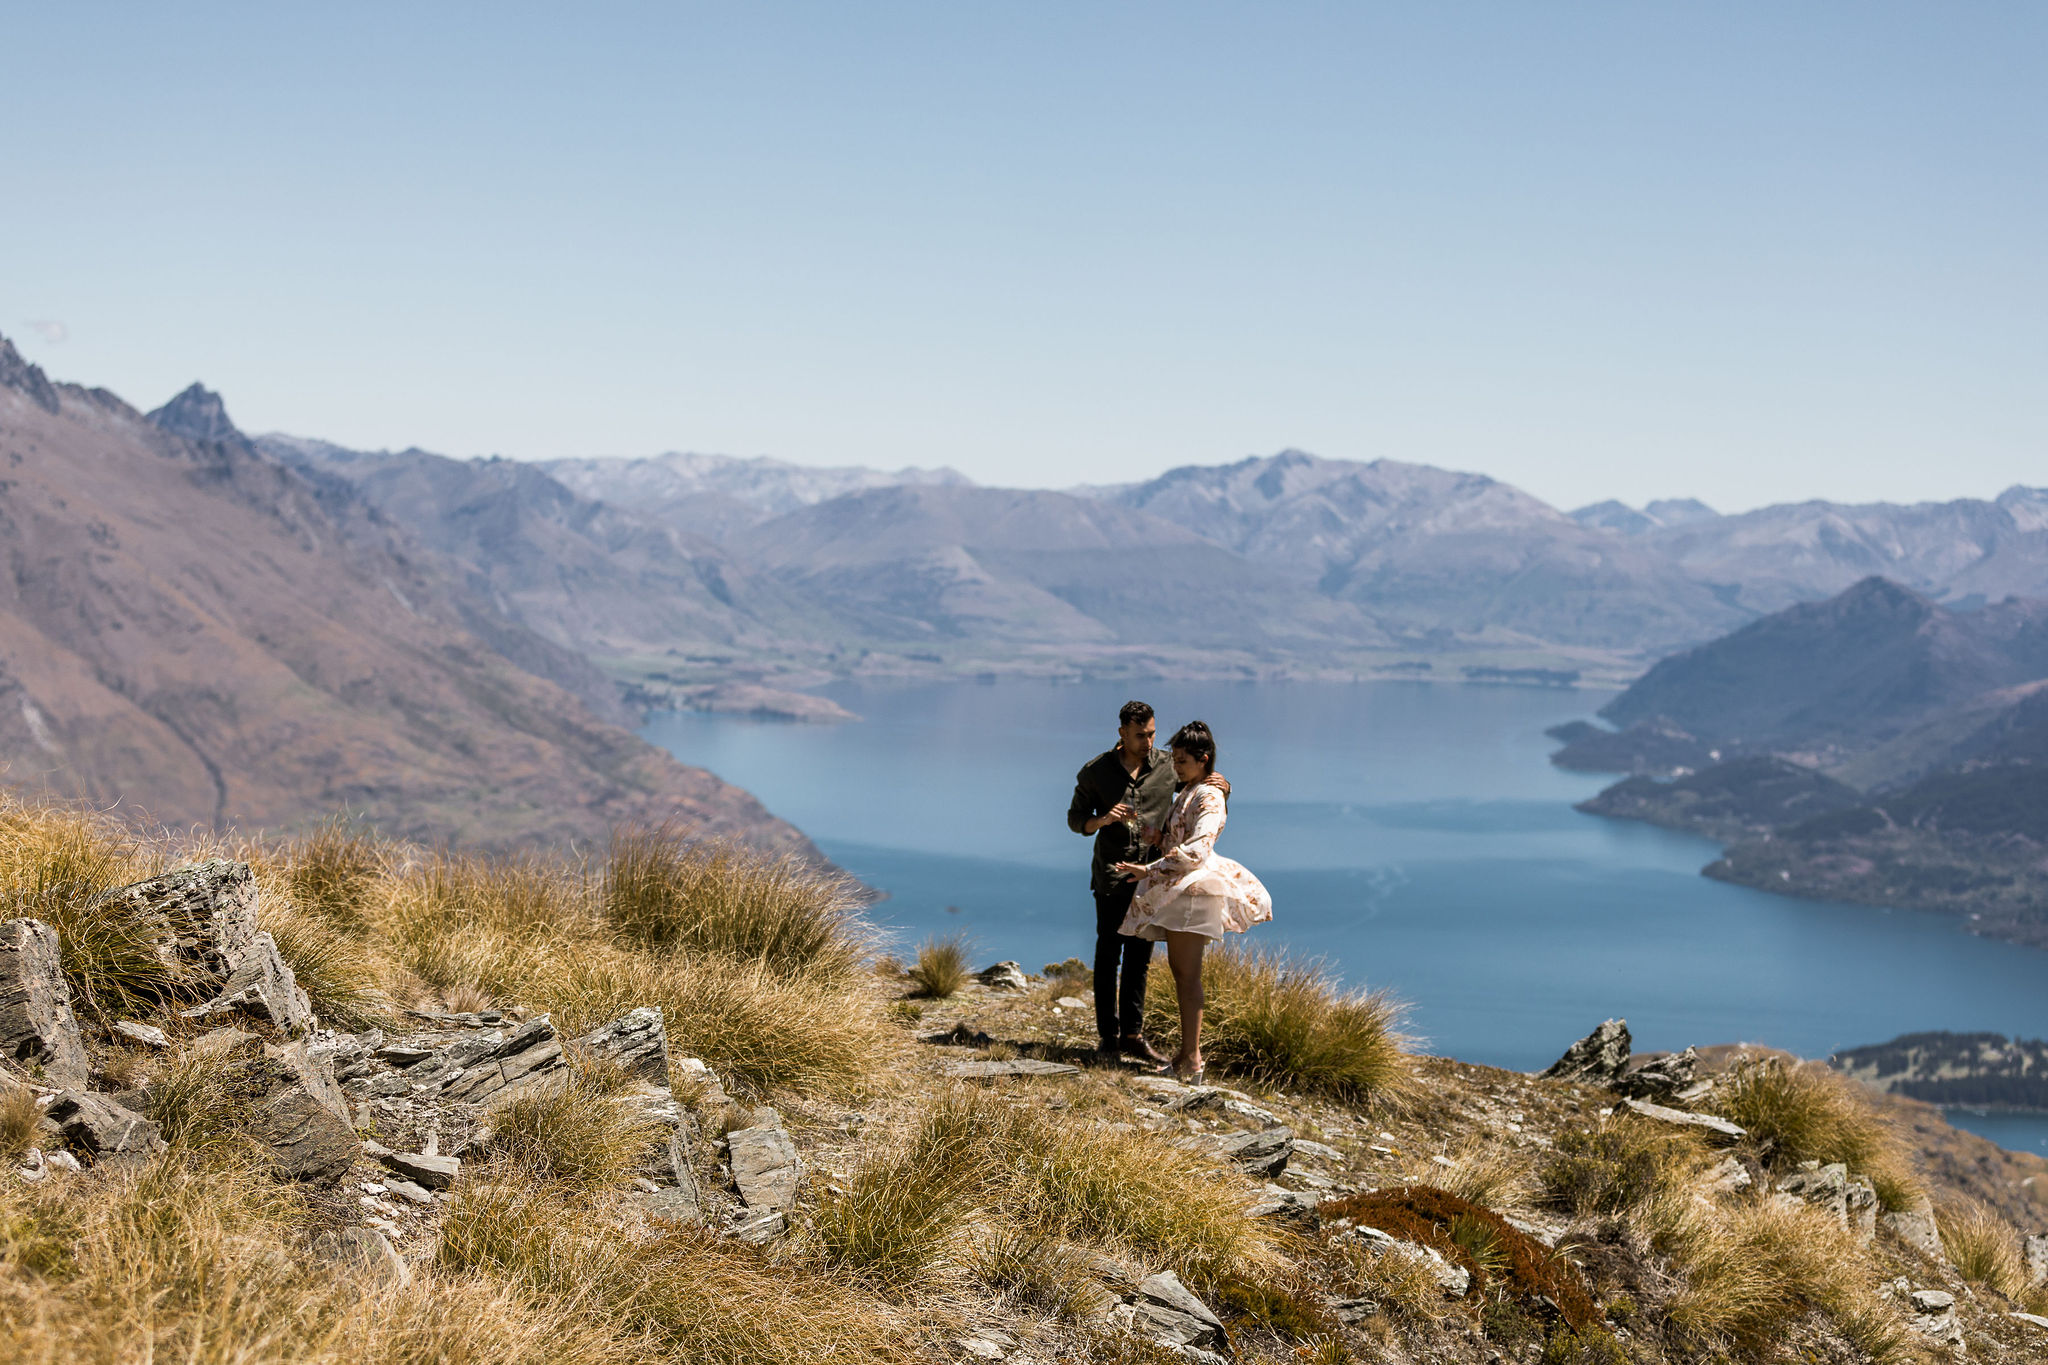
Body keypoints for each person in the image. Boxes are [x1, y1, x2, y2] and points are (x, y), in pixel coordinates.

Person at [1112, 720, 1272, 1083]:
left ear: (1203, 760)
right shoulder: (1192, 791)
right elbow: (1180, 839)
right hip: (1184, 889)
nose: (1176, 766)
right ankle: (1186, 1057)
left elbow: (1199, 848)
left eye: (1182, 761)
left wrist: (1149, 869)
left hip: (1193, 892)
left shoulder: (1208, 795)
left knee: (1188, 976)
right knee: (1183, 975)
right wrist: (1153, 834)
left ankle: (1193, 1061)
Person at [1066, 700, 1177, 1064]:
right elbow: (1075, 820)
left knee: (1140, 959)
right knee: (1108, 956)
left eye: (1152, 734)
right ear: (1122, 734)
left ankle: (1133, 1036)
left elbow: (1196, 781)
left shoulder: (1167, 766)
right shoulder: (1096, 772)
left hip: (1151, 879)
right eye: (1140, 735)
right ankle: (1108, 1039)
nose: (1147, 742)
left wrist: (1219, 783)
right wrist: (1102, 820)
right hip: (1113, 877)